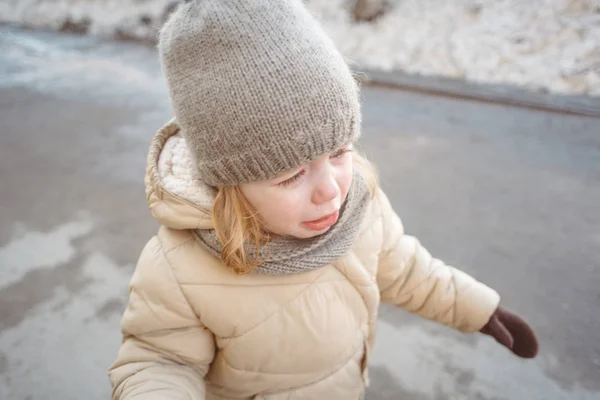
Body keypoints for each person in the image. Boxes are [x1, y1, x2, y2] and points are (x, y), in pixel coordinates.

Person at [108, 0, 538, 398]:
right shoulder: (179, 269)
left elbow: (405, 269)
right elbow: (160, 360)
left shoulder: (359, 205)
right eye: (292, 175)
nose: (331, 189)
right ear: (231, 183)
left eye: (338, 153)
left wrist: (476, 307)